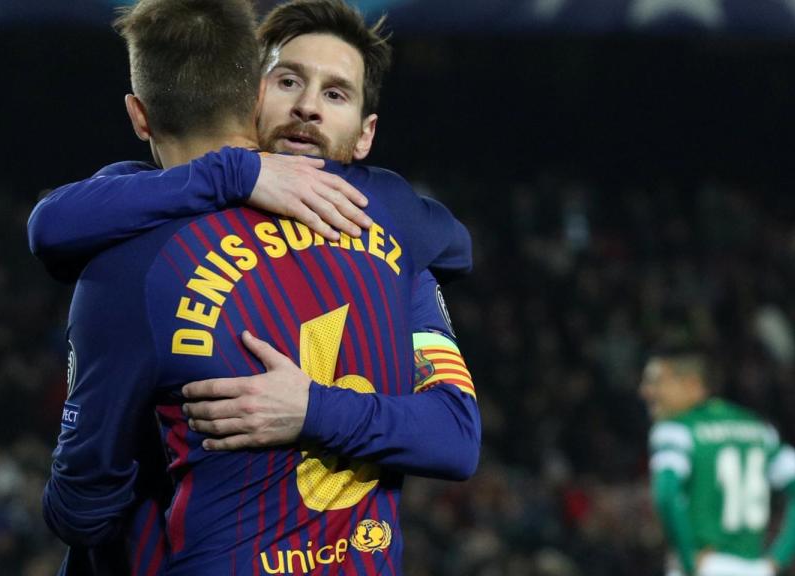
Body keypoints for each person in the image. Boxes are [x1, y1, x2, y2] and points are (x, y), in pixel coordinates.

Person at [38, 0, 480, 574]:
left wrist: (310, 409)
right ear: (250, 97)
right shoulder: (139, 222)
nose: (307, 108)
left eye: (336, 94)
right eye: (289, 80)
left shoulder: (388, 224)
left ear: (366, 135)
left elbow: (456, 436)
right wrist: (235, 173)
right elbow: (52, 223)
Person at [640, 346, 795, 576]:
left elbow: (666, 495)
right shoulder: (758, 429)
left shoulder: (676, 430)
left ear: (691, 385)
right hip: (755, 568)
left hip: (705, 565)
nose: (646, 391)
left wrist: (687, 560)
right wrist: (776, 560)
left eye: (657, 382)